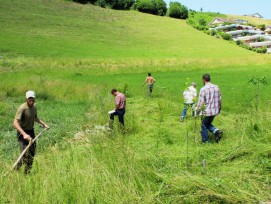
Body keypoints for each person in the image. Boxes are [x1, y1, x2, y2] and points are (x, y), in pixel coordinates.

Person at [13, 90, 49, 174]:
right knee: (25, 155)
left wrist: (44, 124)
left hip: (31, 132)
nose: (31, 101)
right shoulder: (22, 108)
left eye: (33, 99)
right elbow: (15, 123)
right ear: (26, 99)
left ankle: (27, 173)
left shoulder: (34, 107)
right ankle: (15, 170)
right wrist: (24, 135)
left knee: (32, 154)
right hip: (22, 134)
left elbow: (35, 117)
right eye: (29, 99)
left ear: (35, 99)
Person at [197, 74, 223, 143]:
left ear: (203, 80)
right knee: (207, 123)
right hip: (215, 111)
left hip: (206, 112)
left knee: (202, 125)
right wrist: (220, 107)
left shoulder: (203, 89)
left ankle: (205, 141)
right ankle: (216, 131)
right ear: (209, 79)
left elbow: (200, 102)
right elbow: (220, 99)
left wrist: (197, 111)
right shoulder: (216, 87)